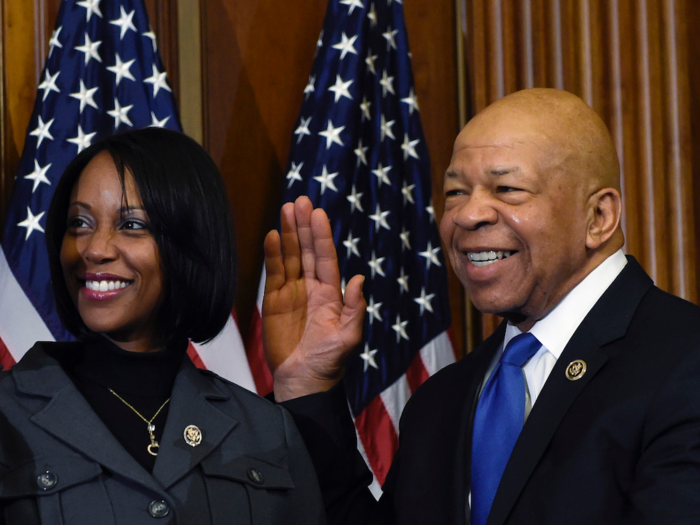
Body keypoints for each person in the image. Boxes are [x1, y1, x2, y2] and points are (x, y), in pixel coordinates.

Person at [262, 88, 700, 524]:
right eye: (455, 192)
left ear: (599, 217)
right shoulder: (442, 400)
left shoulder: (685, 362)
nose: (468, 215)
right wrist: (308, 388)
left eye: (506, 188)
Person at [0, 128, 325, 524]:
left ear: (190, 245)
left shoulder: (268, 430)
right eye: (79, 223)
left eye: (131, 225)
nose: (94, 249)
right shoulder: (7, 412)